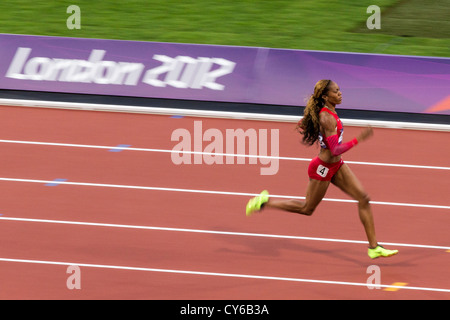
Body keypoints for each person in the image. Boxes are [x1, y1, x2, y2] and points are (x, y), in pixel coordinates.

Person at [245, 79, 398, 259]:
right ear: (326, 96)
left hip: (336, 165)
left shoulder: (328, 112)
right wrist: (359, 139)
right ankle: (265, 202)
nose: (340, 93)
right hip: (322, 168)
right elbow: (335, 149)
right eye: (336, 91)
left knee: (363, 198)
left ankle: (374, 247)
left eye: (340, 90)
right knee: (307, 208)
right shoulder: (327, 117)